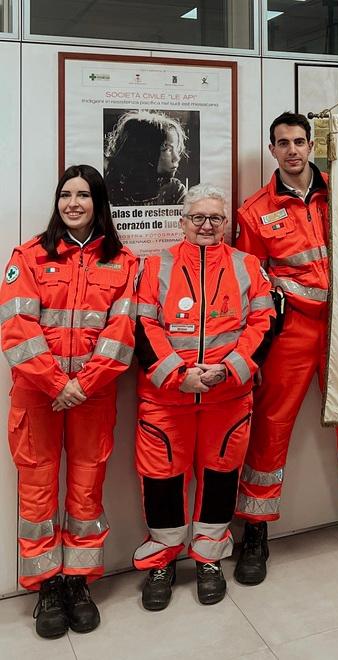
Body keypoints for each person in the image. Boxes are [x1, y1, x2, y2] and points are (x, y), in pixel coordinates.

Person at [231, 111, 338, 586]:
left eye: (299, 141)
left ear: (311, 144)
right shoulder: (254, 210)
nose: (292, 150)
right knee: (271, 423)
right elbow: (255, 284)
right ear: (272, 150)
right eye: (282, 143)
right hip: (292, 330)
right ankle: (256, 530)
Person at [0, 164, 137, 638]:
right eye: (65, 194)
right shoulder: (29, 255)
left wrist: (85, 383)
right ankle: (46, 586)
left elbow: (121, 334)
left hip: (93, 396)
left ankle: (78, 581)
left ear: (99, 203)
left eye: (83, 195)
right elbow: (17, 331)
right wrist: (59, 384)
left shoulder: (122, 261)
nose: (73, 203)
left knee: (85, 491)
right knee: (37, 493)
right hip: (39, 396)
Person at [132, 184, 274, 610]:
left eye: (215, 218)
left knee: (220, 476)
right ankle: (163, 560)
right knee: (162, 479)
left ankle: (209, 558)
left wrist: (228, 369)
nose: (207, 225)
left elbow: (264, 323)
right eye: (198, 218)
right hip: (166, 400)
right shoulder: (156, 265)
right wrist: (179, 375)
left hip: (227, 397)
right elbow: (142, 326)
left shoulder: (247, 265)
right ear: (183, 222)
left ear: (225, 224)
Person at [104, 110, 188, 206]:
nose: (177, 158)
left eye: (176, 149)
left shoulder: (175, 191)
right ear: (145, 152)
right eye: (167, 149)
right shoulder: (110, 190)